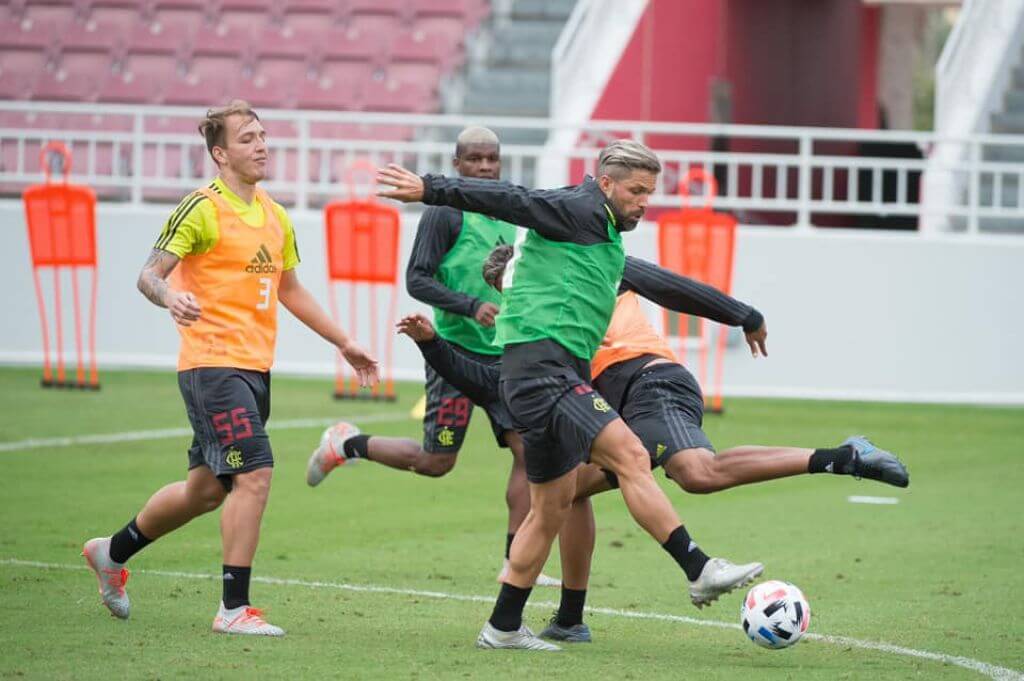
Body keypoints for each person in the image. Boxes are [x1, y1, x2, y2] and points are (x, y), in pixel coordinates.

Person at [395, 243, 909, 642]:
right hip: (612, 403)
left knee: (697, 473)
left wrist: (743, 314)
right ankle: (570, 619)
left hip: (647, 379)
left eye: (516, 282)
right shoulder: (528, 321)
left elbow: (672, 286)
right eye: (508, 290)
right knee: (569, 488)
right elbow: (489, 377)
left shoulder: (593, 269)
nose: (516, 293)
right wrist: (432, 344)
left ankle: (842, 459)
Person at [377, 139, 762, 652]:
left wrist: (742, 313)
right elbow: (513, 199)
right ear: (606, 184)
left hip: (547, 376)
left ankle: (503, 627)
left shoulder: (601, 240)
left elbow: (664, 285)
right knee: (629, 455)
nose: (645, 201)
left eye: (650, 191)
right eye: (636, 191)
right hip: (544, 374)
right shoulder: (578, 208)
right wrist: (431, 189)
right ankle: (699, 567)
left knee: (551, 506)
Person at [81, 100, 379, 636]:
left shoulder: (275, 215)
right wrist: (169, 295)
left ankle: (111, 552)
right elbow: (149, 274)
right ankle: (234, 609)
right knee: (256, 473)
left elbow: (290, 290)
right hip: (211, 365)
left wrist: (345, 341)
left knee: (206, 490)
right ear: (219, 154)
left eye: (263, 135)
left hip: (253, 368)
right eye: (247, 138)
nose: (261, 145)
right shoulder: (201, 208)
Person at [305, 127, 559, 586]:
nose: (484, 168)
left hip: (504, 358)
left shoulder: (508, 213)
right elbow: (417, 280)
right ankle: (346, 444)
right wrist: (469, 305)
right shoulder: (444, 213)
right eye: (475, 160)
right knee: (436, 463)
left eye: (492, 160)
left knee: (529, 452)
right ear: (457, 163)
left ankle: (516, 560)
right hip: (455, 354)